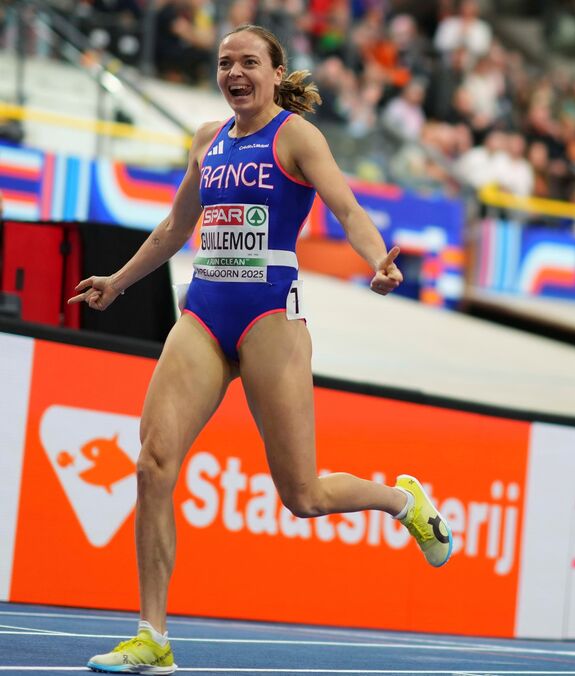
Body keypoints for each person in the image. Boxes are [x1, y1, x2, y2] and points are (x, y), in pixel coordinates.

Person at [72, 25, 453, 674]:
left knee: (302, 496)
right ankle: (152, 636)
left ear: (277, 73)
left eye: (249, 62)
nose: (235, 73)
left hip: (270, 318)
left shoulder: (297, 137)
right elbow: (175, 227)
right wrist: (119, 280)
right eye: (225, 63)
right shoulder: (206, 140)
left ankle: (402, 501)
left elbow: (347, 208)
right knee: (152, 464)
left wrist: (377, 261)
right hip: (204, 311)